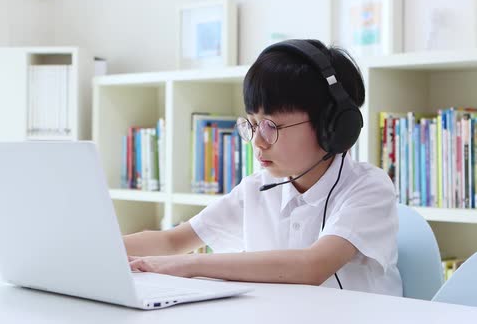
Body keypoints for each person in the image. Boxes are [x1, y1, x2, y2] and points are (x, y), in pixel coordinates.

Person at [124, 39, 402, 296]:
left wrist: (191, 265)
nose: (257, 140)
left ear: (332, 127)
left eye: (271, 126)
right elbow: (174, 242)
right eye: (253, 125)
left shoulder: (369, 187)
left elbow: (312, 266)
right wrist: (92, 247)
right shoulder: (258, 187)